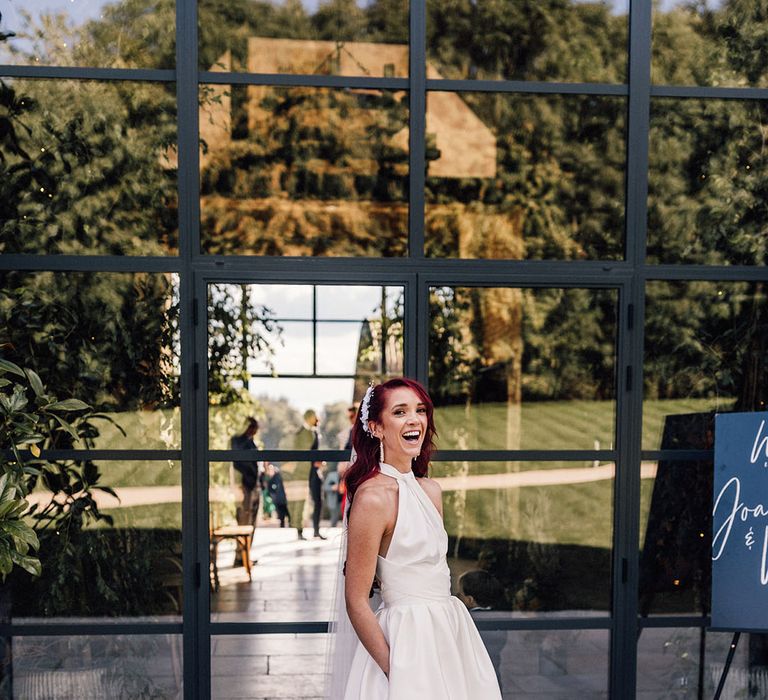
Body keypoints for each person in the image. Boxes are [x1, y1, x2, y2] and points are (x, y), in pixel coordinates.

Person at [325, 378, 501, 699]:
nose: (414, 419)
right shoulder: (373, 499)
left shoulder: (431, 490)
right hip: (405, 641)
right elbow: (356, 600)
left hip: (450, 632)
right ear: (376, 428)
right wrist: (397, 668)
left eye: (420, 410)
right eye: (399, 412)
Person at [295, 409, 326, 540]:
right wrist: (314, 462)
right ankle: (300, 532)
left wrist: (318, 462)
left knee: (318, 501)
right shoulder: (302, 433)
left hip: (314, 472)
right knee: (301, 501)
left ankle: (316, 531)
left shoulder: (315, 432)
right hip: (305, 471)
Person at [230, 417, 264, 528]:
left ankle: (247, 543)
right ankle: (242, 543)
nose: (255, 431)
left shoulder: (251, 441)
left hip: (254, 483)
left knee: (252, 515)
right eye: (253, 428)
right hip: (244, 483)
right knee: (244, 513)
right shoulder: (238, 441)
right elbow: (237, 463)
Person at [266, 463, 291, 528]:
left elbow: (276, 488)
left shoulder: (277, 477)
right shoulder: (272, 478)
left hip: (280, 498)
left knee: (283, 511)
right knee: (281, 512)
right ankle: (284, 523)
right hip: (278, 498)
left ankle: (288, 523)